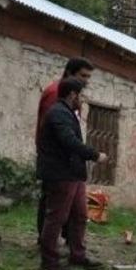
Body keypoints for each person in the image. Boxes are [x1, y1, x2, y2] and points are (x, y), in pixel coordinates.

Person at [36, 78, 107, 270]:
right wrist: (94, 155)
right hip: (60, 173)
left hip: (73, 174)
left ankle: (77, 255)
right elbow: (69, 141)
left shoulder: (66, 113)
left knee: (79, 216)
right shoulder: (58, 113)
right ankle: (49, 261)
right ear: (73, 94)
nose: (82, 99)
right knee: (56, 218)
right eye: (81, 95)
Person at [35, 58, 94, 243]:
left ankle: (68, 244)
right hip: (58, 161)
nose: (86, 80)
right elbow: (57, 132)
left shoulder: (71, 95)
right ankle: (47, 246)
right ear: (69, 73)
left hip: (68, 160)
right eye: (83, 75)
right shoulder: (56, 94)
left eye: (88, 77)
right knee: (54, 207)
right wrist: (88, 153)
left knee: (71, 209)